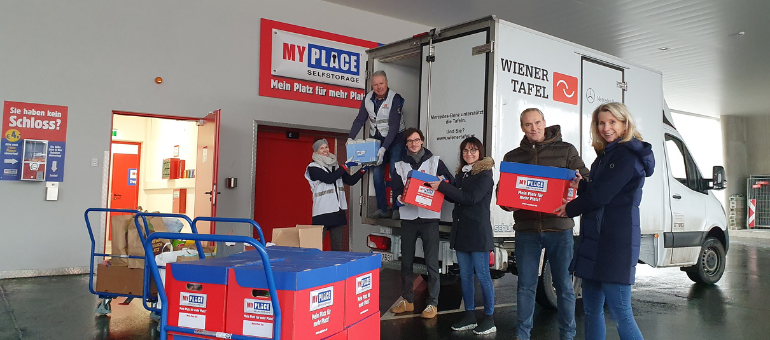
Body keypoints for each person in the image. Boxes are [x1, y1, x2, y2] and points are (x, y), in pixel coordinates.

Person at [554, 102, 654, 340]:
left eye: (612, 122)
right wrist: (583, 185)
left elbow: (602, 196)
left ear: (624, 123)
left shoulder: (626, 155)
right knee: (591, 310)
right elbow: (604, 191)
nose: (606, 128)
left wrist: (570, 208)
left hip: (614, 242)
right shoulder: (607, 155)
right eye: (601, 123)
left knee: (621, 313)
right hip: (595, 240)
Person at [499, 108, 588, 340]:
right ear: (522, 127)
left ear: (545, 123)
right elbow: (503, 192)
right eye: (528, 125)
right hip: (526, 230)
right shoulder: (513, 157)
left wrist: (580, 183)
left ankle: (568, 335)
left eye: (537, 123)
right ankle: (522, 335)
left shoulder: (566, 150)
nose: (534, 128)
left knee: (565, 287)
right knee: (525, 287)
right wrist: (507, 204)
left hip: (559, 229)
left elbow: (587, 179)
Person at [426, 136, 496, 334]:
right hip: (462, 232)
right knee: (465, 276)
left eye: (473, 150)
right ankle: (470, 315)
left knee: (482, 276)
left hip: (478, 233)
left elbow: (470, 198)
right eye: (465, 151)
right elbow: (454, 195)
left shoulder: (485, 175)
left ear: (480, 153)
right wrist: (438, 186)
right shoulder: (463, 174)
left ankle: (489, 319)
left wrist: (445, 187)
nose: (469, 154)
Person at [389, 127, 454, 319]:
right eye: (410, 141)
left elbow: (450, 181)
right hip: (408, 219)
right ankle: (407, 300)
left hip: (429, 219)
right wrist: (401, 199)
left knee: (432, 262)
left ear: (422, 141)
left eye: (416, 140)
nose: (414, 144)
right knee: (406, 262)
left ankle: (432, 303)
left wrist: (443, 181)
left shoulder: (435, 162)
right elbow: (395, 194)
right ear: (406, 144)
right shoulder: (399, 165)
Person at [348, 70, 406, 219]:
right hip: (378, 139)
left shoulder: (395, 99)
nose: (379, 87)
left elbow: (393, 127)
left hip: (396, 140)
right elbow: (360, 120)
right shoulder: (367, 99)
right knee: (377, 175)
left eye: (381, 83)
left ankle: (397, 209)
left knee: (395, 172)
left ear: (386, 83)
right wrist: (350, 138)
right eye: (375, 84)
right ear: (372, 86)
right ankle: (382, 208)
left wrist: (384, 148)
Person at [304, 138, 366, 251]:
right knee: (315, 246)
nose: (325, 150)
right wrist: (345, 166)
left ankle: (336, 267)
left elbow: (350, 181)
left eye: (326, 147)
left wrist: (363, 170)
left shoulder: (336, 166)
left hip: (337, 210)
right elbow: (329, 179)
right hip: (322, 211)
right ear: (316, 151)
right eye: (321, 148)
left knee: (337, 246)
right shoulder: (313, 167)